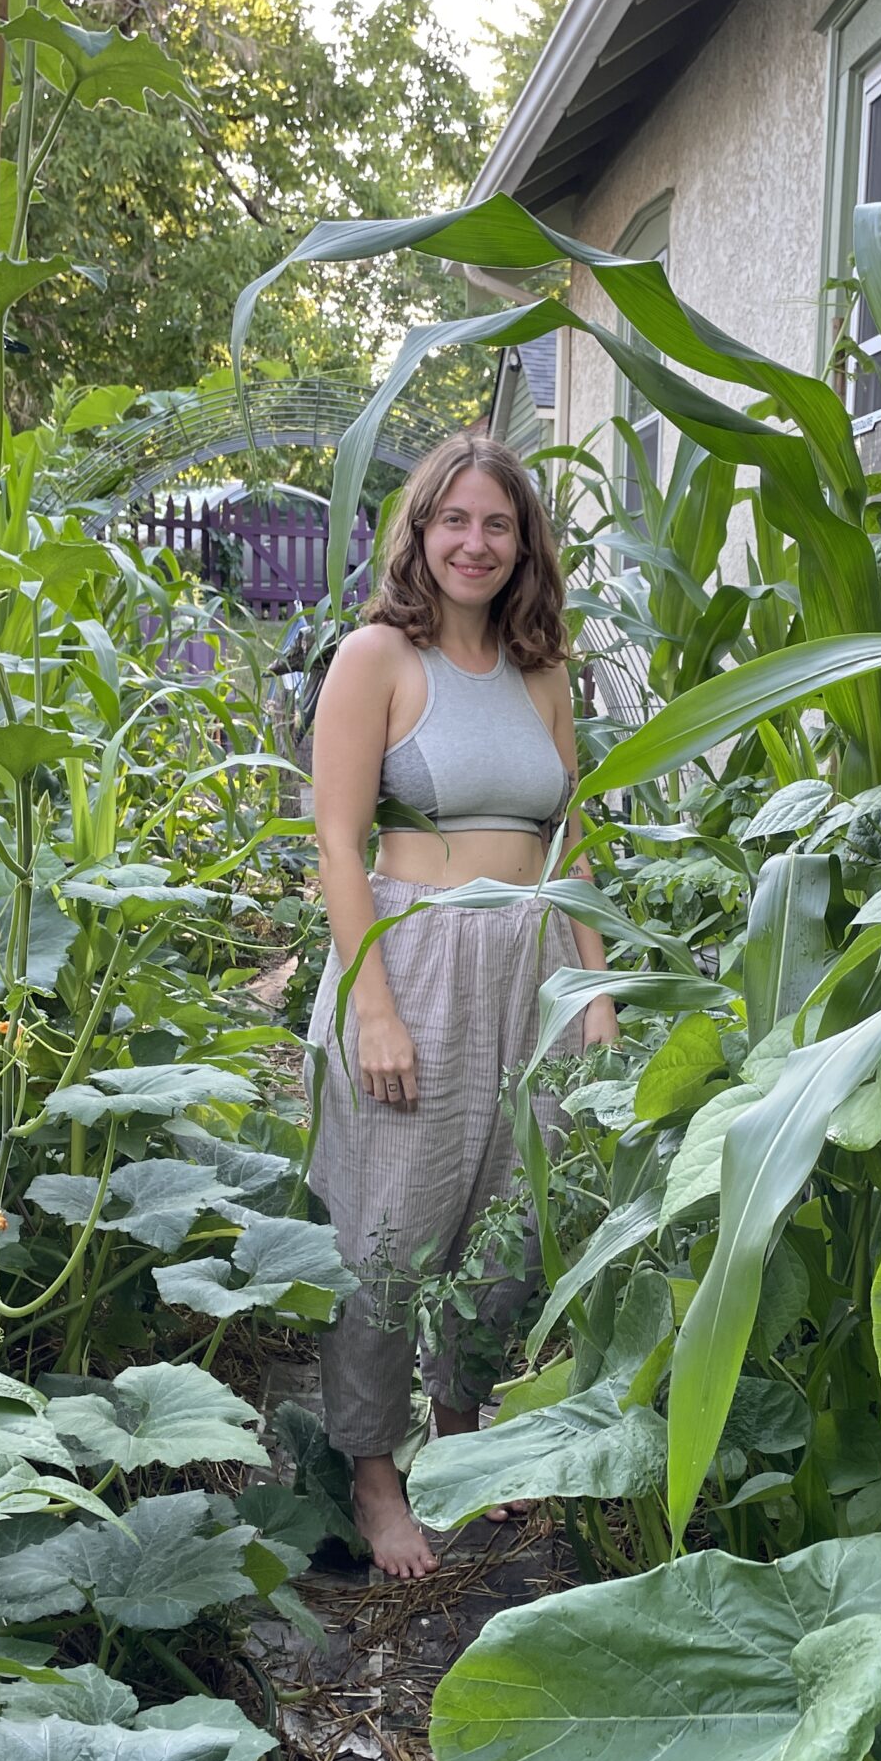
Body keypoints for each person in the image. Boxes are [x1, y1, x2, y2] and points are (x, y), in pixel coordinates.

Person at [305, 431, 618, 1577]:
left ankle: (461, 1432)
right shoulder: (378, 658)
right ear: (422, 532)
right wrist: (374, 1009)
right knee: (392, 1227)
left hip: (532, 965)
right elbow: (337, 840)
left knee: (510, 1224)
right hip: (415, 957)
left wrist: (594, 988)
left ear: (523, 542)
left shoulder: (543, 671)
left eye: (498, 523)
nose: (475, 543)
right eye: (455, 520)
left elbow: (571, 834)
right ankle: (372, 1468)